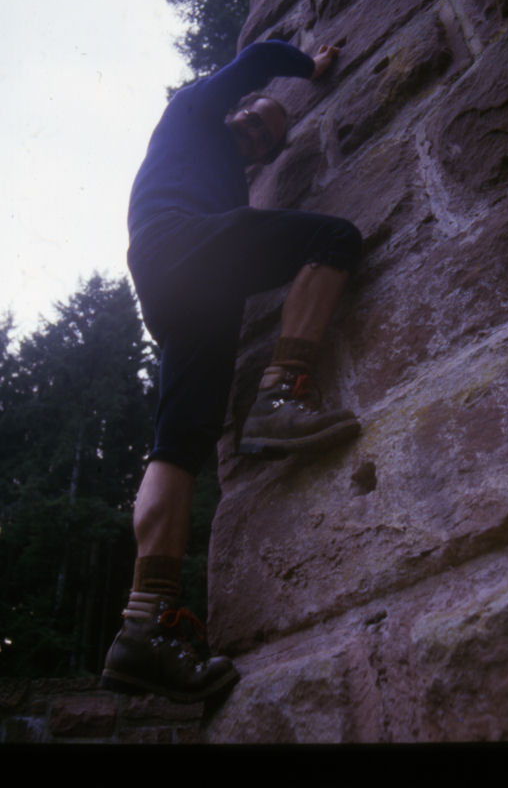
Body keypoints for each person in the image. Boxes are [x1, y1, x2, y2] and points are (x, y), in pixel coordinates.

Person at [101, 40, 363, 703]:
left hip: (188, 286)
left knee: (178, 447)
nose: (254, 134)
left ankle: (142, 628)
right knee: (333, 238)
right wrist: (311, 67)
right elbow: (260, 57)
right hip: (175, 244)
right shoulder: (192, 112)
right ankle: (280, 394)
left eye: (265, 139)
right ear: (234, 109)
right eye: (252, 119)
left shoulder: (222, 177)